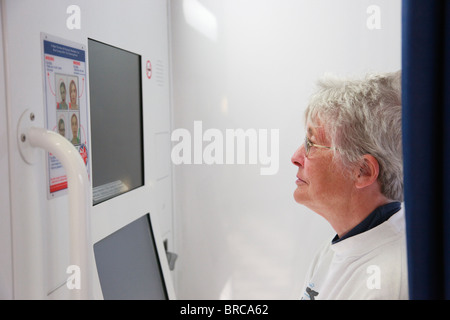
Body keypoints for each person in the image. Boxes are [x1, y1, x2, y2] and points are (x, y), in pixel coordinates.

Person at [291, 71, 408, 300]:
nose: (295, 157)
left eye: (311, 143)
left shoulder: (390, 282)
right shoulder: (334, 248)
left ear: (363, 171)